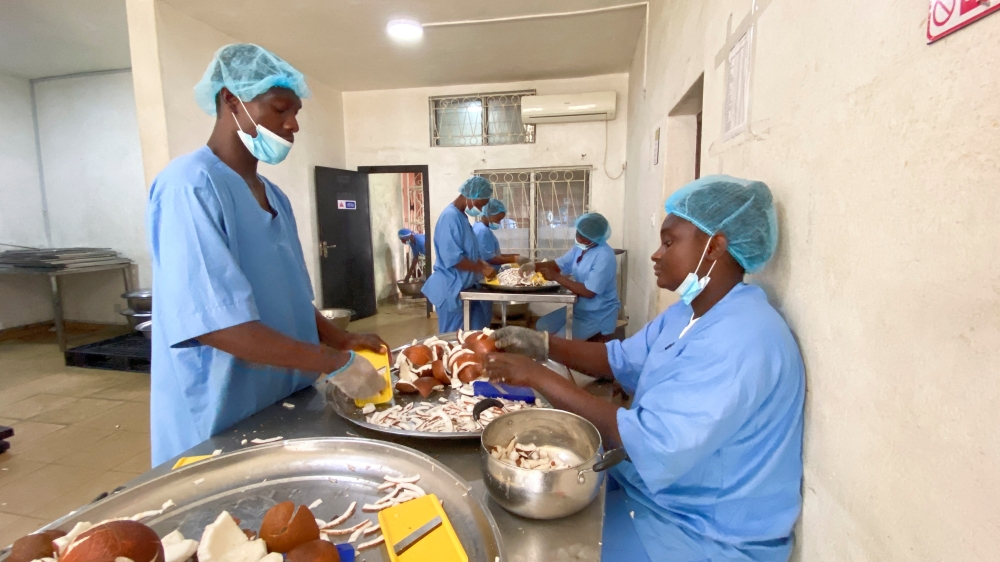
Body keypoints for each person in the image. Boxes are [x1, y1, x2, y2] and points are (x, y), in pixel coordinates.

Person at [484, 175, 805, 562]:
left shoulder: (745, 338)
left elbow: (647, 442)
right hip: (654, 490)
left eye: (669, 242)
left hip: (702, 532)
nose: (656, 254)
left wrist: (537, 375)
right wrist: (543, 345)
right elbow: (617, 359)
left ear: (715, 246)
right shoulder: (689, 313)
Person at [146, 44, 387, 466]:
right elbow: (216, 324)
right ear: (229, 100)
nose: (292, 124)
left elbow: (292, 297)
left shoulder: (273, 196)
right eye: (279, 109)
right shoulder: (191, 187)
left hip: (283, 397)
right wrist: (333, 361)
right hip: (221, 413)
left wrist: (339, 337)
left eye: (296, 111)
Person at [421, 176, 496, 332]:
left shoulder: (461, 217)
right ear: (470, 196)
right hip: (451, 289)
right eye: (480, 204)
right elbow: (453, 258)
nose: (480, 210)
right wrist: (480, 268)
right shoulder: (450, 217)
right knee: (454, 340)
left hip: (465, 288)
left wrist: (482, 264)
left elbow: (467, 253)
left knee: (479, 333)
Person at [534, 212, 619, 341]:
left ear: (595, 238)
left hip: (597, 314)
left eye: (583, 237)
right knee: (542, 325)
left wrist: (557, 277)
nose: (578, 239)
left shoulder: (605, 256)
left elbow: (589, 292)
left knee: (559, 342)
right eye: (578, 233)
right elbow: (559, 264)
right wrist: (532, 266)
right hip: (579, 308)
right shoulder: (580, 248)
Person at [472, 199, 524, 270]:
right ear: (488, 214)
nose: (499, 223)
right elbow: (489, 259)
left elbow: (494, 255)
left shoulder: (483, 229)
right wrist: (514, 259)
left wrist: (516, 256)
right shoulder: (481, 231)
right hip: (485, 275)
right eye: (497, 219)